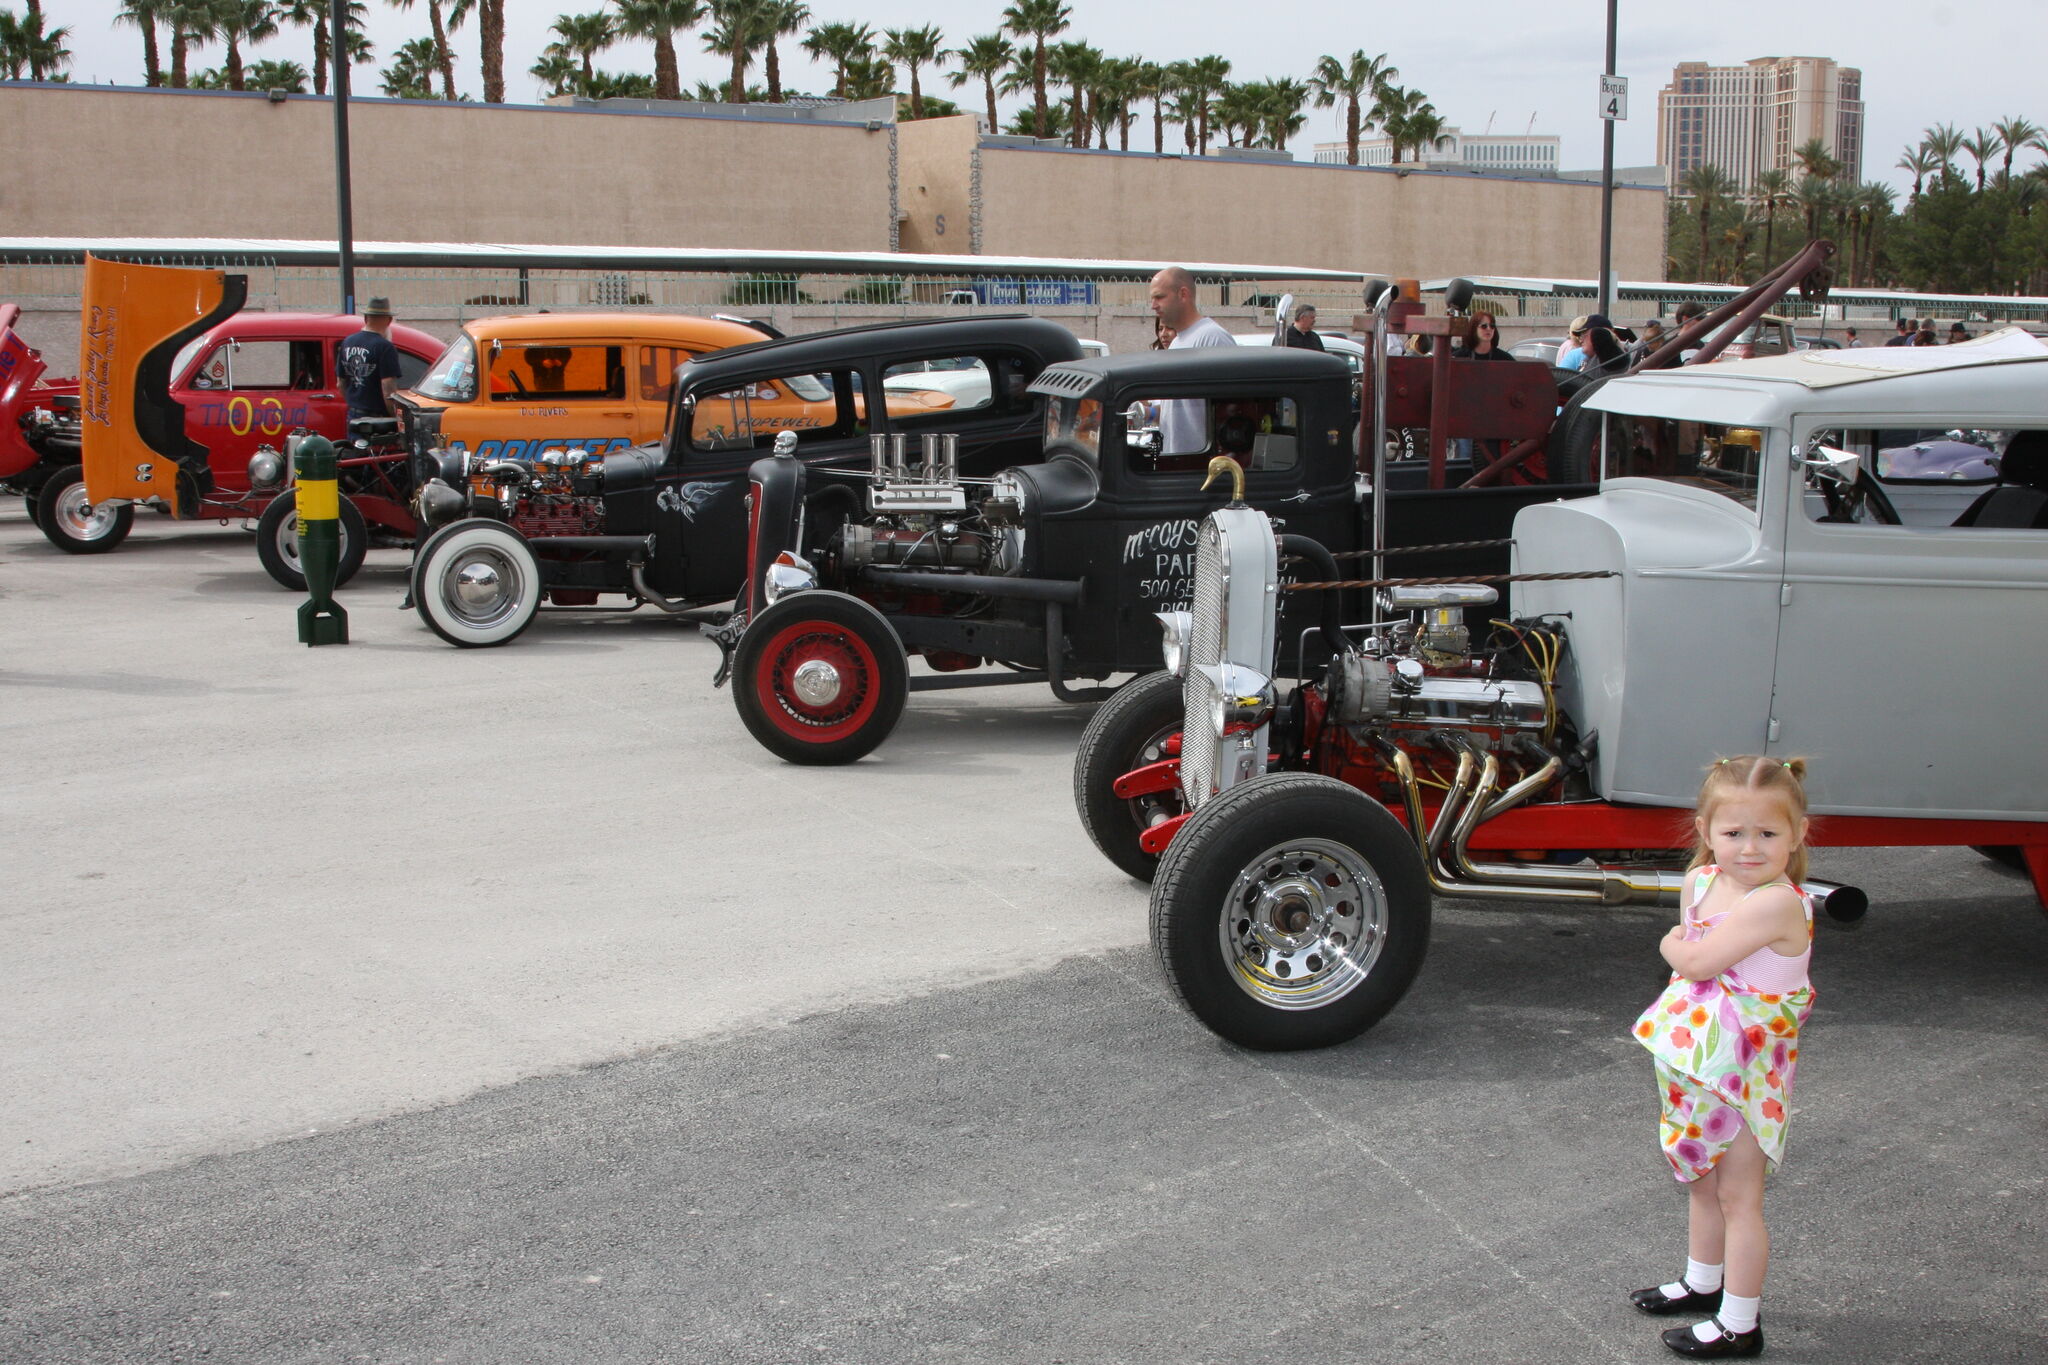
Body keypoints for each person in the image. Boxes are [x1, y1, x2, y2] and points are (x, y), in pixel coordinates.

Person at [1631, 756, 1817, 1360]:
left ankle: (1741, 1322)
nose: (1750, 848)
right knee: (1702, 1181)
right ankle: (1701, 1282)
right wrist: (1684, 948)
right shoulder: (1702, 881)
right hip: (1698, 1059)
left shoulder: (1777, 904)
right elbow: (1694, 956)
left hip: (1748, 1076)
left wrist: (1670, 944)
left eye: (1768, 833)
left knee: (1740, 1197)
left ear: (1798, 834)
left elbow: (1695, 962)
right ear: (1706, 831)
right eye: (1734, 833)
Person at [1149, 266, 1235, 454]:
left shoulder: (1212, 338)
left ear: (1183, 294)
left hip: (1201, 467)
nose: (1153, 305)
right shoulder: (1177, 342)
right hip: (1177, 461)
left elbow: (1231, 410)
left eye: (1159, 297)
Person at [338, 297, 403, 419]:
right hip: (377, 419)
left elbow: (340, 383)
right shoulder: (385, 347)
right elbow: (388, 389)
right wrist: (395, 418)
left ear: (365, 318)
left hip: (353, 416)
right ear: (389, 321)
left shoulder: (347, 342)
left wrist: (354, 404)